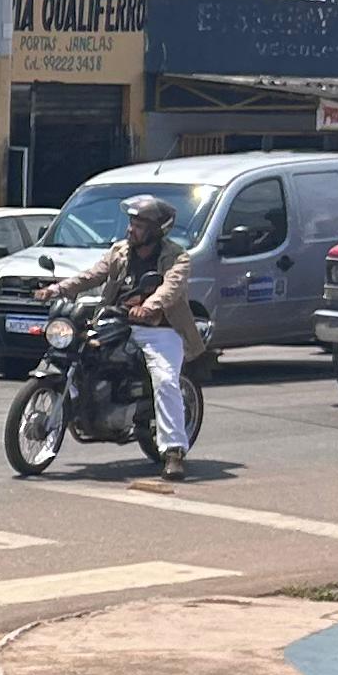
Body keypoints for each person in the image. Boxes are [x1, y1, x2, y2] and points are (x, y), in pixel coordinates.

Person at [45, 191, 198, 478]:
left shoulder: (177, 257)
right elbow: (91, 276)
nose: (131, 229)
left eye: (139, 225)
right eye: (131, 223)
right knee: (79, 352)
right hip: (117, 320)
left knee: (165, 380)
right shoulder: (120, 251)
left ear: (156, 230)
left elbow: (171, 288)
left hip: (159, 328)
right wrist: (56, 290)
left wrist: (149, 306)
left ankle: (174, 450)